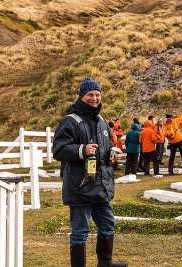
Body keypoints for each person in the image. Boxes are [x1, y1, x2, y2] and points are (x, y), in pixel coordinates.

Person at [52, 77, 127, 267]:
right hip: (80, 186)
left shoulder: (102, 121)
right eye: (90, 95)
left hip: (101, 186)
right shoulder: (70, 121)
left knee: (108, 224)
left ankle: (105, 262)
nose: (94, 98)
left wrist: (112, 153)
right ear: (82, 96)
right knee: (80, 232)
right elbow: (58, 150)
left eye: (97, 95)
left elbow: (107, 144)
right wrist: (81, 150)